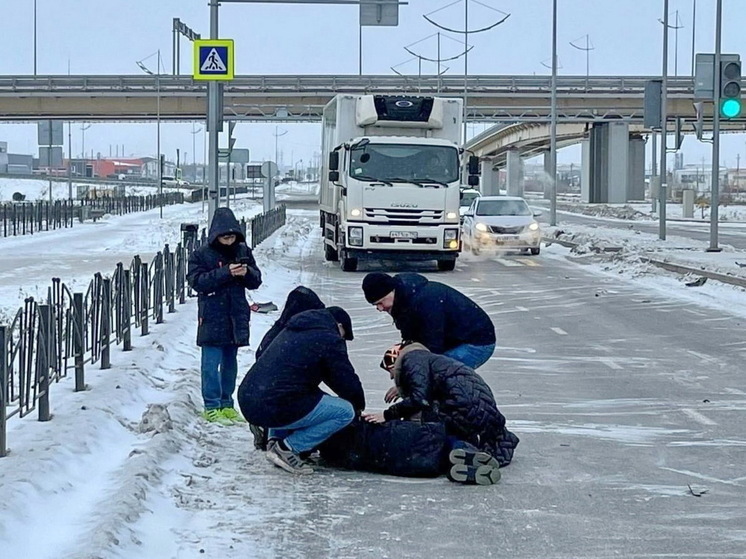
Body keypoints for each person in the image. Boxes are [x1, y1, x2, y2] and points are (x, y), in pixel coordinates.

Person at [237, 307, 365, 475]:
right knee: (344, 411)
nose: (342, 340)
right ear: (339, 326)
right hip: (272, 405)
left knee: (291, 393)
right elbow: (343, 377)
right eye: (343, 335)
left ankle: (274, 440)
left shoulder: (294, 330)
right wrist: (357, 405)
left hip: (249, 399)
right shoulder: (328, 338)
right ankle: (287, 448)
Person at [363, 342, 519, 471]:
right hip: (480, 407)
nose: (391, 377)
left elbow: (420, 400)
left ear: (395, 361)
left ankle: (465, 452)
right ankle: (476, 448)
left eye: (390, 372)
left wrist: (387, 414)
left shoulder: (411, 359)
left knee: (431, 433)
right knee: (436, 419)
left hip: (464, 406)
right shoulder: (429, 359)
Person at [187, 207, 262, 426]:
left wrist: (246, 272)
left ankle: (227, 403)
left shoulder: (243, 251)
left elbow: (256, 280)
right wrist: (226, 272)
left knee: (230, 364)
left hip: (236, 317)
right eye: (224, 236)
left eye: (232, 236)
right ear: (215, 235)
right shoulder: (201, 255)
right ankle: (211, 405)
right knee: (211, 365)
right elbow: (197, 282)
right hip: (212, 316)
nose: (228, 240)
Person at [361, 272, 496, 369]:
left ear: (390, 292)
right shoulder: (401, 300)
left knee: (439, 375)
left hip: (476, 342)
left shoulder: (425, 301)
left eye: (380, 302)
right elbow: (411, 340)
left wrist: (406, 380)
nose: (379, 308)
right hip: (452, 340)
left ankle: (457, 406)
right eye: (375, 305)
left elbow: (432, 345)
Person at [248, 286, 325, 450]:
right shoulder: (294, 336)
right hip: (276, 398)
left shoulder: (278, 331)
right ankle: (278, 439)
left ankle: (270, 433)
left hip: (259, 394)